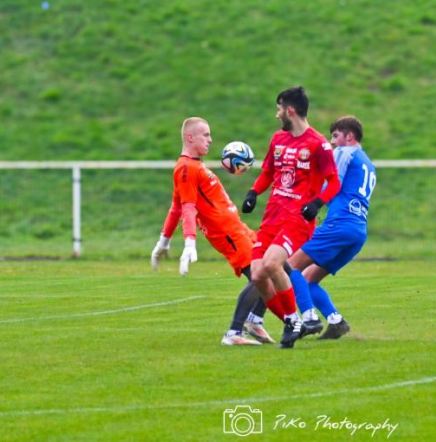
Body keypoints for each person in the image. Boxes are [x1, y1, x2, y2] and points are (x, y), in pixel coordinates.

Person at [150, 117, 274, 346]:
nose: (210, 140)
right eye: (205, 135)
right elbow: (187, 207)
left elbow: (175, 207)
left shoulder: (194, 165)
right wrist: (189, 243)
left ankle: (254, 321)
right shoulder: (186, 168)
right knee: (260, 275)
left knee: (280, 265)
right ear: (190, 137)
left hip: (239, 228)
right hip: (227, 233)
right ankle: (234, 333)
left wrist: (163, 241)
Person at [241, 86, 341, 348]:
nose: (277, 115)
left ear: (290, 110)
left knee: (273, 263)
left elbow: (333, 183)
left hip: (297, 219)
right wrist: (253, 193)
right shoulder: (277, 140)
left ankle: (293, 321)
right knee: (257, 274)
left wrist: (317, 203)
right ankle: (293, 320)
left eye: (278, 109)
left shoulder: (318, 144)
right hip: (272, 216)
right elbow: (268, 173)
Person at [287, 116, 376, 340]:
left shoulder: (345, 153)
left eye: (336, 135)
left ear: (350, 136)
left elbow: (330, 185)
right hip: (358, 231)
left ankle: (309, 318)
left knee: (290, 267)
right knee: (309, 279)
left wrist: (306, 201)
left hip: (339, 225)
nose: (332, 141)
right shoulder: (368, 163)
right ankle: (336, 321)